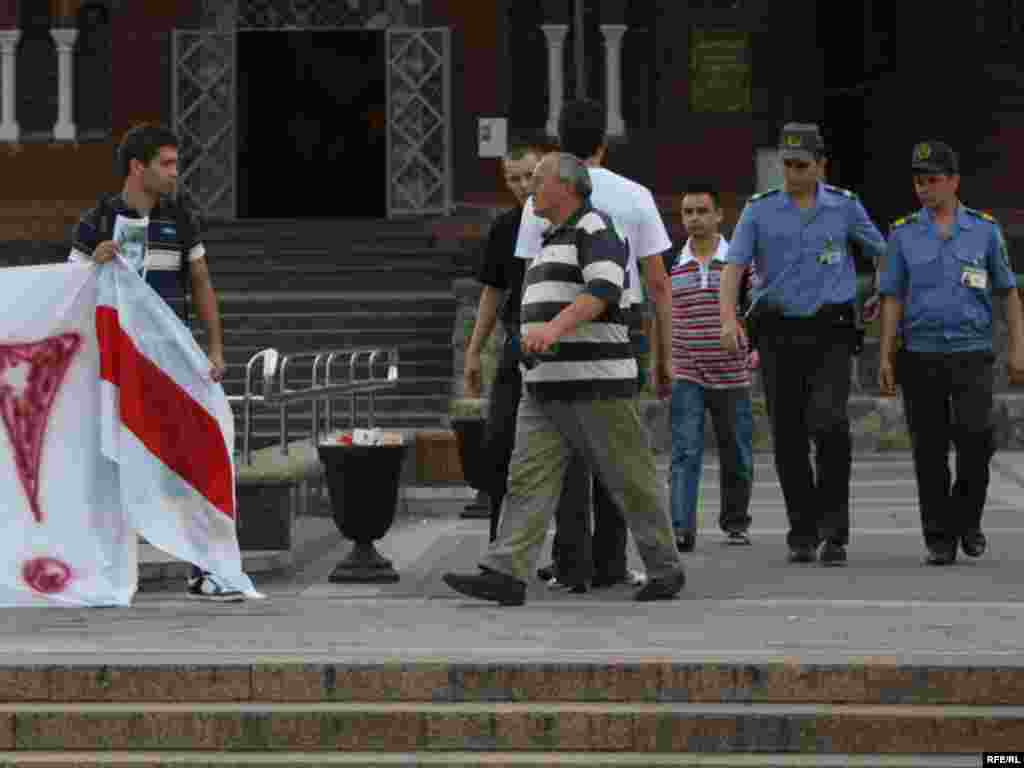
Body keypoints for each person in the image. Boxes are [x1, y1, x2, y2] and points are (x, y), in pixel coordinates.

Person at [442, 153, 685, 605]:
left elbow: (604, 289)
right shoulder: (549, 237)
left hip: (597, 382)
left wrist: (551, 329)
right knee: (527, 480)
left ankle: (665, 568)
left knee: (630, 476)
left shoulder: (596, 227)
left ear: (566, 186)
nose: (528, 187)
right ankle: (505, 572)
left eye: (537, 179)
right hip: (546, 385)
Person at [69, 123, 242, 602]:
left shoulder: (181, 217)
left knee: (191, 460)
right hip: (116, 365)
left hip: (171, 361)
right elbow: (69, 289)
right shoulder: (98, 221)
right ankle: (107, 574)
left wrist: (215, 348)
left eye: (176, 163)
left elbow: (202, 283)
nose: (174, 173)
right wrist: (93, 263)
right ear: (137, 167)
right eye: (166, 164)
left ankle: (206, 568)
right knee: (110, 465)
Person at [517, 99, 673, 590]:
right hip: (613, 339)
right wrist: (666, 355)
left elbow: (535, 274)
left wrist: (537, 332)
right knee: (608, 461)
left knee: (585, 461)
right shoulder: (636, 196)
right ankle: (609, 561)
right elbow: (657, 285)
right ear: (603, 143)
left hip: (576, 342)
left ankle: (571, 562)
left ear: (559, 148)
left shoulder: (550, 205)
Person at [720, 123, 886, 566]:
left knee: (830, 422)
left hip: (830, 330)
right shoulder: (760, 210)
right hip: (778, 333)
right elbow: (733, 267)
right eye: (787, 165)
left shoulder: (844, 207)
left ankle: (835, 530)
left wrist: (881, 291)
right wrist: (727, 319)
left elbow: (883, 252)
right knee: (789, 435)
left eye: (801, 165)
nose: (792, 174)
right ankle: (803, 530)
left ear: (821, 165)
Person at [878, 140, 1024, 565]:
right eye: (918, 181)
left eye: (933, 180)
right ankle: (939, 538)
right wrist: (886, 355)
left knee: (977, 439)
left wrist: (1017, 348)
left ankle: (967, 518)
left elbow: (1008, 293)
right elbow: (892, 297)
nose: (924, 188)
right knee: (929, 449)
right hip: (921, 353)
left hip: (972, 352)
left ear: (954, 181)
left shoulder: (984, 230)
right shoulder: (903, 232)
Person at [464, 142, 590, 584]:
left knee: (571, 457)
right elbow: (492, 292)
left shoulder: (575, 227)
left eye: (528, 176)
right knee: (501, 446)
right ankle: (502, 557)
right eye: (512, 178)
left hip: (565, 348)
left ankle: (571, 557)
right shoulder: (505, 228)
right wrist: (474, 349)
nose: (521, 186)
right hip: (517, 345)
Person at [669, 184, 757, 553]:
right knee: (685, 451)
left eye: (702, 211)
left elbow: (755, 308)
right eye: (688, 212)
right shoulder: (673, 264)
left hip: (732, 372)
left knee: (736, 450)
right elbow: (663, 314)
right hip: (687, 370)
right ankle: (681, 528)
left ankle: (735, 521)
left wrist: (753, 347)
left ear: (719, 215)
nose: (695, 219)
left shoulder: (739, 263)